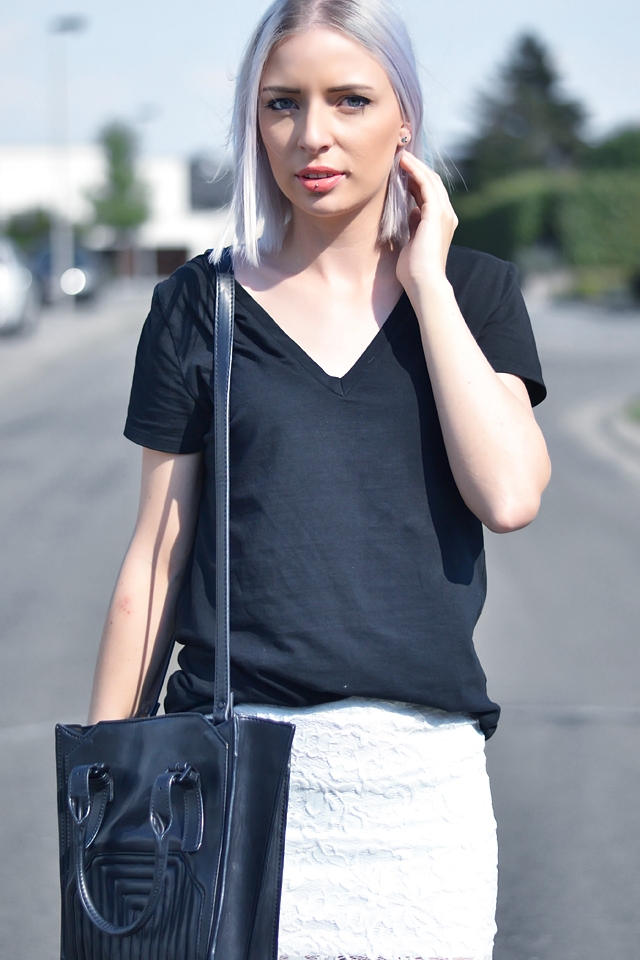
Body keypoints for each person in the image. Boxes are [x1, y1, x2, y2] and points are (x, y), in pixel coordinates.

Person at [88, 0, 550, 957]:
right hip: (228, 779)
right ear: (253, 122)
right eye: (281, 104)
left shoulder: (473, 292)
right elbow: (155, 563)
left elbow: (508, 495)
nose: (313, 135)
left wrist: (426, 283)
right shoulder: (198, 306)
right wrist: (109, 792)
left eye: (350, 99)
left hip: (421, 802)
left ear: (403, 118)